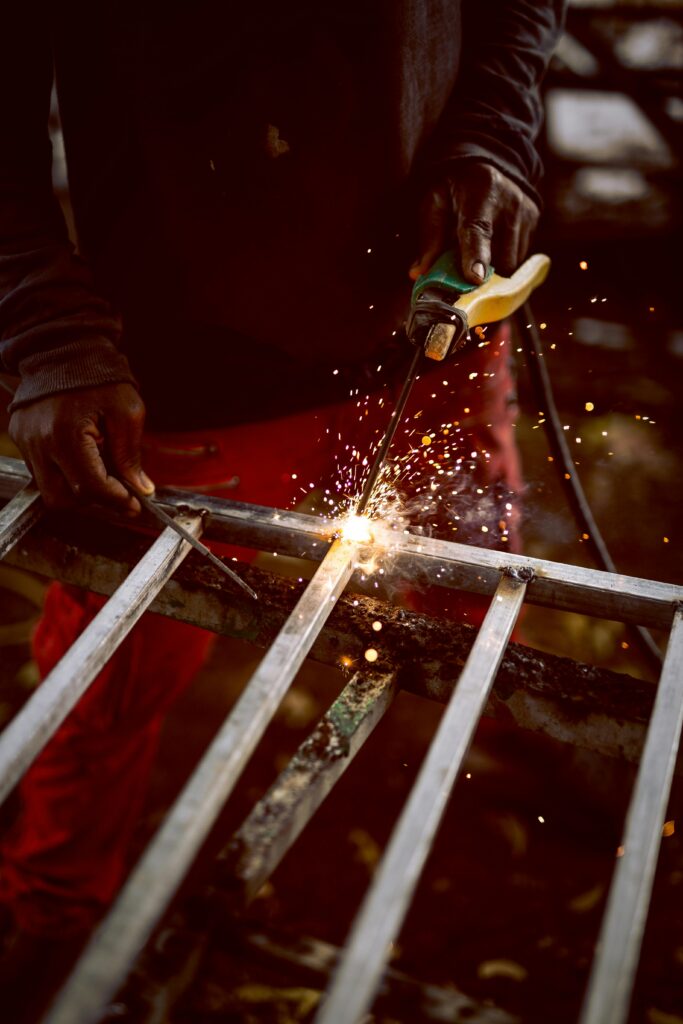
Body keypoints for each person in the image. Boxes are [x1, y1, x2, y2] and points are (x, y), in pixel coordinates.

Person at [0, 0, 564, 1011]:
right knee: (113, 672)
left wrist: (492, 130)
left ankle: (457, 785)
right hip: (180, 350)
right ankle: (52, 912)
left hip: (438, 302)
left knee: (458, 598)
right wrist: (44, 329)